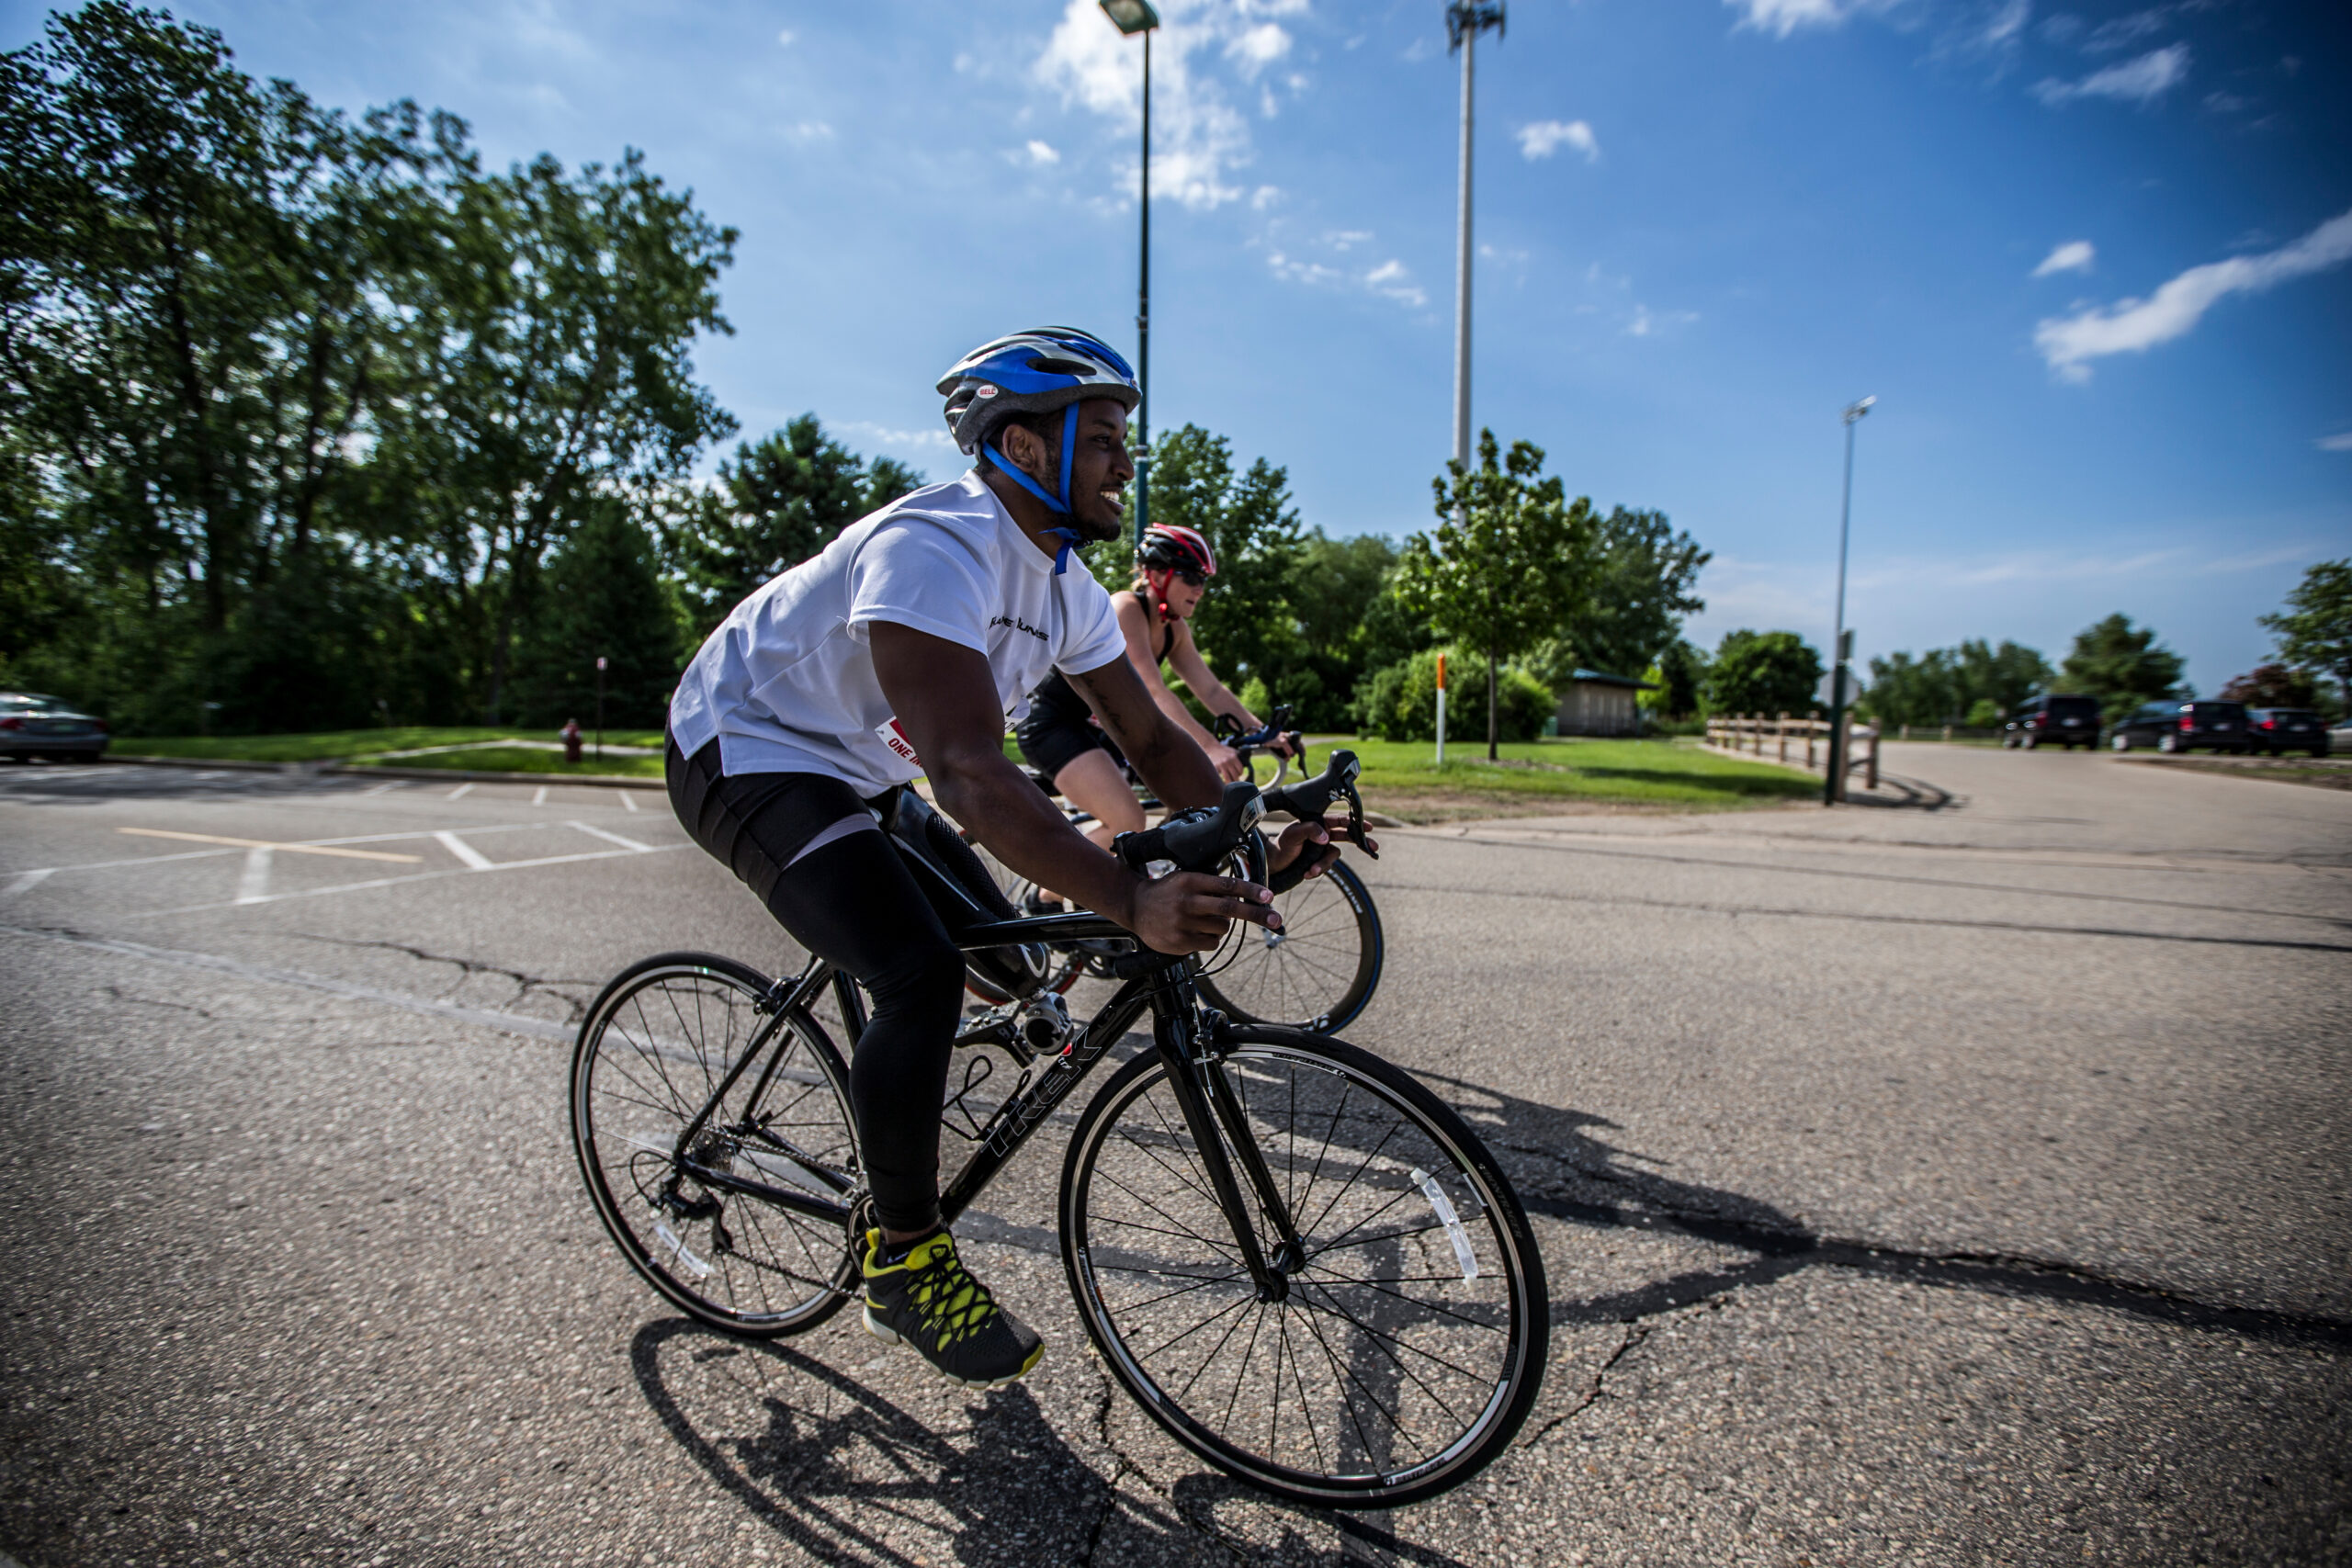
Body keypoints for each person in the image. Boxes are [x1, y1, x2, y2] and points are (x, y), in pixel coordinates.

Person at [662, 327, 1349, 1392]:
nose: (1127, 460)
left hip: (854, 766)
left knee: (1016, 968)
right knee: (917, 971)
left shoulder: (1065, 584)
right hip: (744, 745)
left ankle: (907, 1102)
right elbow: (971, 776)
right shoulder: (935, 546)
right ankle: (903, 1258)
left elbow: (1156, 742)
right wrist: (1127, 896)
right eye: (1106, 438)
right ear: (1024, 445)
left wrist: (1253, 836)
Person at [1014, 524, 1294, 863]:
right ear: (1157, 574)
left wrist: (1262, 733)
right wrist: (1209, 747)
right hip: (1054, 724)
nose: (1200, 589)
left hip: (1099, 729)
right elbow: (1151, 689)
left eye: (1204, 580)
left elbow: (1210, 689)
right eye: (1191, 577)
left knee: (1183, 805)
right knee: (1127, 820)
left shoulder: (1174, 628)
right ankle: (1047, 898)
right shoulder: (1126, 608)